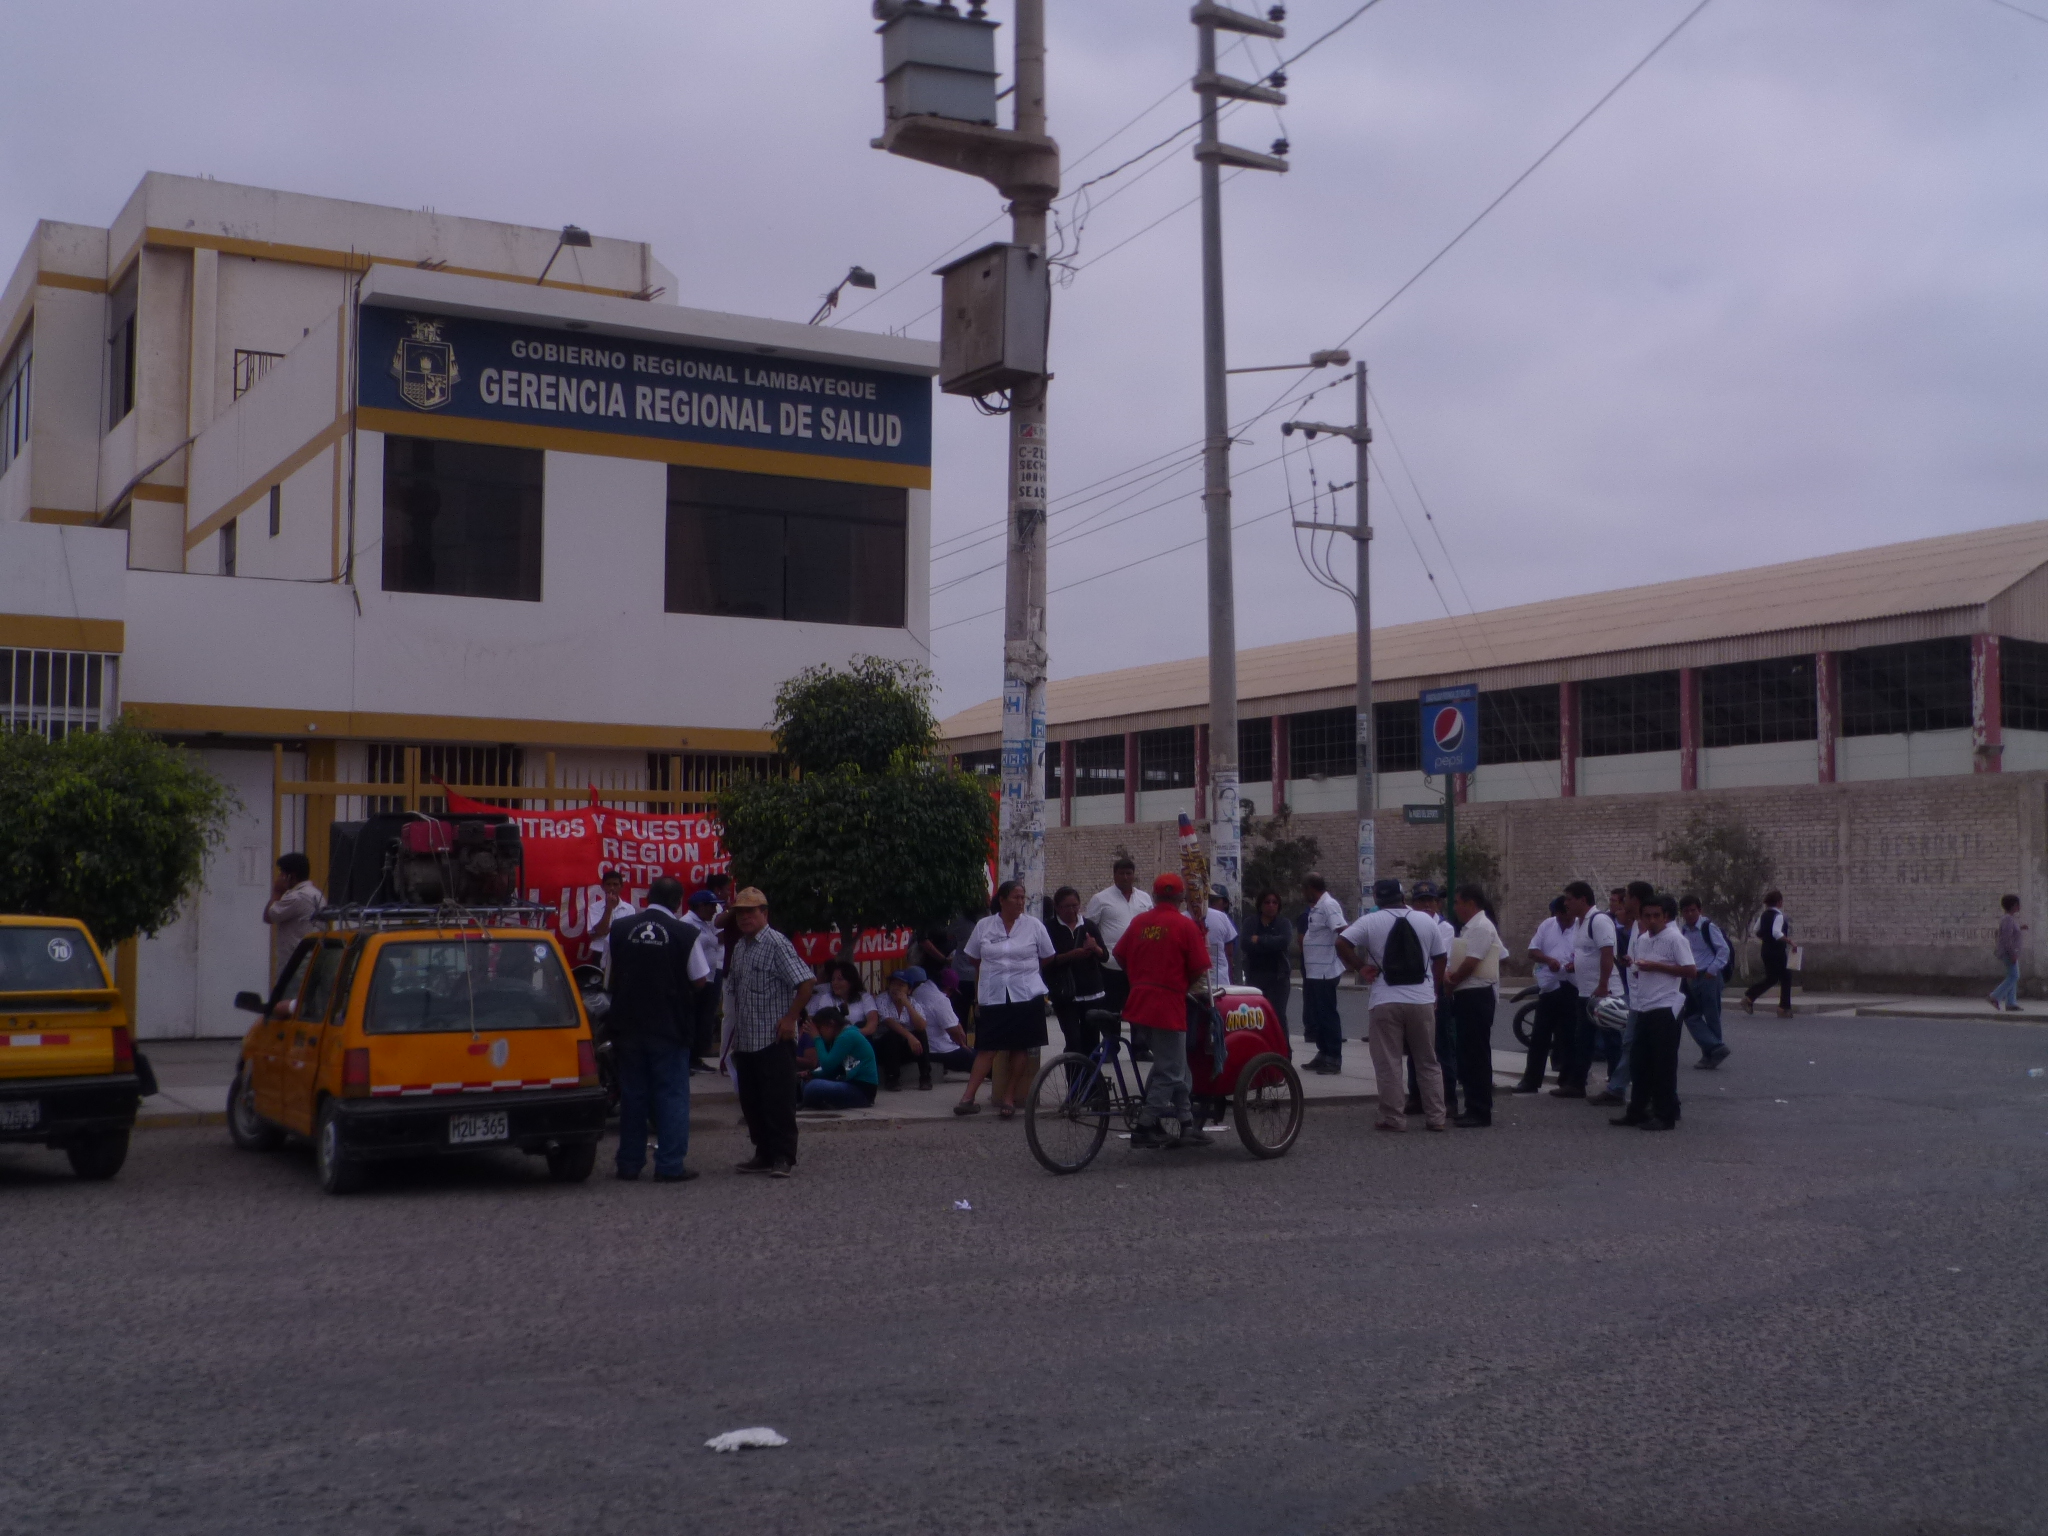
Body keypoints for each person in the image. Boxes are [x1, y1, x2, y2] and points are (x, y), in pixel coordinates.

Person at [605, 875, 711, 1182]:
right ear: (678, 902)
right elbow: (701, 980)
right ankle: (669, 1165)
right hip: (669, 1027)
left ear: (648, 896)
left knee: (634, 1095)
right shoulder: (685, 933)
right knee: (672, 1096)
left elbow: (608, 976)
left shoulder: (620, 929)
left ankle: (628, 1163)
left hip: (628, 1026)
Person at [1337, 878, 1450, 1132]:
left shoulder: (1370, 921)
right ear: (1402, 897)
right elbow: (1440, 958)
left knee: (1389, 1062)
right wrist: (1434, 990)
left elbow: (1341, 942)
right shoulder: (1425, 920)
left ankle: (1393, 1118)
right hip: (1421, 998)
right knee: (1428, 1061)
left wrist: (1360, 967)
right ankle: (1436, 1117)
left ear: (1377, 898)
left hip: (1385, 998)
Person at [1112, 872, 1212, 1148]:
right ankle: (1145, 1125)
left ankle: (1187, 1123)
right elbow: (1198, 969)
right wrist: (1180, 986)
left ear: (1155, 897)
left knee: (1174, 1063)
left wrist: (1138, 979)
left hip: (1139, 1004)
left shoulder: (1139, 922)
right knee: (1171, 1071)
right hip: (1168, 1006)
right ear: (1181, 898)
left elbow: (1119, 955)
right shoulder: (1185, 926)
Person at [722, 887, 815, 1178]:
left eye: (751, 912)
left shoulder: (776, 943)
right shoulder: (740, 947)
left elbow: (806, 983)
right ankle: (762, 1153)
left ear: (765, 913)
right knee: (752, 1102)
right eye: (740, 912)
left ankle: (783, 1157)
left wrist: (791, 1018)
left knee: (779, 1102)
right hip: (748, 1040)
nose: (745, 917)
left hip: (774, 1039)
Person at [956, 879, 1055, 1119]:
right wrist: (998, 971)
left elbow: (1047, 956)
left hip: (1026, 994)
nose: (1021, 902)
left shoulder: (1034, 926)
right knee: (987, 1047)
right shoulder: (984, 926)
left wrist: (1023, 971)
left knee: (1019, 1047)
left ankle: (1009, 1097)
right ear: (1001, 900)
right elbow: (973, 958)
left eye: (1023, 898)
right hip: (994, 994)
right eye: (1016, 897)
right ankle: (967, 1098)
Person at [1613, 893, 1694, 1130]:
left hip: (1666, 1006)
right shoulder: (1643, 939)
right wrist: (1634, 965)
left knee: (1663, 1064)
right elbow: (1642, 970)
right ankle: (1637, 1110)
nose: (1651, 920)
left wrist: (1656, 966)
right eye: (1646, 916)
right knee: (1640, 1062)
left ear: (1665, 916)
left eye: (1656, 916)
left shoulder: (1674, 939)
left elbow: (1690, 970)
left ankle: (1665, 1114)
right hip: (1645, 1005)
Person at [1445, 884, 1504, 1128]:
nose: (1456, 908)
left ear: (1470, 904)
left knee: (1476, 1053)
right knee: (1467, 1053)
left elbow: (1471, 962)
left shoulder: (1480, 927)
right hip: (1468, 994)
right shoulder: (1471, 927)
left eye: (1458, 902)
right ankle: (1472, 1105)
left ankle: (1479, 1110)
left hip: (1477, 993)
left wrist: (1452, 980)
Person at [1590, 880, 1652, 1107]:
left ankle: (1651, 1095)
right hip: (1638, 997)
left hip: (1653, 1000)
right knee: (1630, 1044)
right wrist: (1631, 962)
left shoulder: (1649, 924)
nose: (1622, 901)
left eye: (1625, 896)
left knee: (1642, 1046)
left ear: (1635, 899)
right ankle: (1618, 1089)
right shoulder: (1636, 925)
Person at [1553, 880, 1616, 1099]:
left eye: (1569, 899)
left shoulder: (1599, 921)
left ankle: (1615, 1088)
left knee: (1611, 1041)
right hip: (1584, 992)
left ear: (1583, 899)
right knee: (1583, 1040)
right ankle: (1577, 1084)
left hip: (1603, 993)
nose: (1566, 903)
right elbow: (1587, 954)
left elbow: (1608, 953)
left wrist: (1603, 985)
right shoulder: (1580, 923)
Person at [1085, 858, 1153, 1046]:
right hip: (1111, 964)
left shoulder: (1144, 898)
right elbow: (1090, 926)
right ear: (1114, 875)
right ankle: (1110, 1045)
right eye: (1121, 873)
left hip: (1139, 965)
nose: (1125, 877)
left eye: (1128, 873)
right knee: (1111, 1008)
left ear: (1133, 875)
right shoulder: (1101, 898)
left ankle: (1140, 1047)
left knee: (1138, 1006)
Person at [1408, 881, 1461, 1119]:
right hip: (1414, 990)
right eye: (1421, 901)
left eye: (1431, 900)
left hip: (1435, 989)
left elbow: (1438, 960)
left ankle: (1448, 1098)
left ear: (1437, 903)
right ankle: (1417, 1095)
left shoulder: (1444, 928)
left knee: (1441, 1048)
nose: (1427, 905)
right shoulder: (1408, 923)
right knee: (1415, 1047)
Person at [1513, 896, 1576, 1094]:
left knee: (1569, 1036)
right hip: (1549, 986)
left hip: (1573, 985)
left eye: (1567, 917)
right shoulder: (1548, 925)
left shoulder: (1582, 927)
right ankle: (1531, 1080)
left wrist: (1576, 964)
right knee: (1540, 1036)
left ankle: (1567, 1080)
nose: (1564, 921)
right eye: (1561, 917)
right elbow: (1532, 951)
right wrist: (1548, 960)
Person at [1045, 887, 1112, 1061]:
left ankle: (1091, 1085)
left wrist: (1095, 948)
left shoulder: (1088, 925)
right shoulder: (1049, 928)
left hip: (1092, 992)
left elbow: (1104, 956)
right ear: (1058, 908)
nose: (1072, 910)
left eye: (1075, 905)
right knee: (1074, 1041)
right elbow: (1046, 962)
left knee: (1091, 1041)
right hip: (1065, 994)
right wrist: (1070, 956)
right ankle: (1074, 1083)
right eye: (1067, 906)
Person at [1299, 874, 1348, 1074]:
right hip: (1314, 971)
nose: (1303, 893)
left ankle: (1334, 1057)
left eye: (1304, 889)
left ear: (1311, 888)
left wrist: (1344, 956)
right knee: (1317, 1014)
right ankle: (1323, 1053)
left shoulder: (1329, 905)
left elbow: (1343, 931)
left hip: (1325, 971)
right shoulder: (1317, 907)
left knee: (1327, 1015)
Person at [1677, 895, 1733, 1068]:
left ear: (1699, 911)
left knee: (1711, 1016)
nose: (1690, 914)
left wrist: (1712, 969)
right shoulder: (1683, 930)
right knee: (1691, 1016)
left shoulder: (1708, 927)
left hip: (1709, 977)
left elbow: (1723, 950)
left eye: (1693, 910)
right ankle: (1715, 1048)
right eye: (1686, 911)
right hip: (1693, 976)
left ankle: (1711, 1056)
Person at [905, 966, 978, 1077]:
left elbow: (954, 1023)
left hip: (926, 1046)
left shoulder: (921, 990)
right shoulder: (939, 999)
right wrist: (963, 1045)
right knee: (980, 1059)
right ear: (948, 988)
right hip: (938, 1049)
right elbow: (953, 1031)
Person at [801, 1006, 879, 1110]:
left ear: (831, 1024)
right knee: (805, 1083)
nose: (819, 1033)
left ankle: (819, 1103)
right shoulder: (840, 1037)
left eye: (820, 1029)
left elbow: (827, 1066)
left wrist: (817, 1038)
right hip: (848, 1083)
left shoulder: (847, 1036)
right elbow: (833, 1069)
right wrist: (811, 1074)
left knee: (813, 1087)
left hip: (861, 1090)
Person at [681, 888, 725, 1070]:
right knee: (694, 1018)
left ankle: (698, 1055)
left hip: (710, 976)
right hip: (696, 979)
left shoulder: (706, 923)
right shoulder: (687, 922)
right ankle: (690, 1058)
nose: (715, 911)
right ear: (701, 906)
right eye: (712, 906)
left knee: (705, 1018)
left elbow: (716, 942)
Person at [262, 852, 324, 981]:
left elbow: (268, 916)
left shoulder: (297, 897)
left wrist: (277, 891)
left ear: (292, 876)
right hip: (311, 960)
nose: (279, 877)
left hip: (295, 965)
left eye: (282, 874)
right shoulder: (316, 894)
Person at [866, 969, 929, 1091]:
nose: (896, 988)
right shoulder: (882, 999)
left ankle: (925, 1077)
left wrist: (907, 1004)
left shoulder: (913, 1002)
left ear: (909, 990)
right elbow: (888, 1021)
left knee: (921, 1034)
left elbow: (921, 1025)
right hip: (885, 1048)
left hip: (906, 1049)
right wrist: (909, 1037)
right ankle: (892, 1078)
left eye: (901, 985)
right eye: (894, 984)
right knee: (892, 1036)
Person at [1241, 889, 1293, 1030]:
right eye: (1267, 902)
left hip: (1278, 978)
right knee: (1256, 1016)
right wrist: (1270, 944)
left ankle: (1283, 1050)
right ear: (1261, 905)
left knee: (1278, 1015)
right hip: (1255, 976)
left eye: (1274, 902)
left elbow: (1283, 942)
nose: (1271, 905)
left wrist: (1259, 940)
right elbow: (1245, 944)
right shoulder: (1251, 922)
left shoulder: (1283, 923)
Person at [1742, 891, 1793, 1018]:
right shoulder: (1779, 916)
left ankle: (1749, 997)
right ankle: (1784, 1008)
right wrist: (1790, 941)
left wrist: (1766, 938)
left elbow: (1755, 931)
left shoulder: (1763, 915)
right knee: (1786, 977)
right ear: (1779, 902)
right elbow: (1776, 933)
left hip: (1766, 951)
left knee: (1772, 978)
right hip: (1777, 952)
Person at [585, 868, 635, 967]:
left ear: (621, 887)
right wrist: (608, 908)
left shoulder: (629, 909)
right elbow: (598, 932)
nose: (612, 888)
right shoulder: (594, 907)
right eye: (608, 884)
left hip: (619, 953)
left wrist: (607, 930)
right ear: (602, 887)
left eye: (615, 884)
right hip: (599, 951)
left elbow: (626, 934)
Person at [1991, 895, 2027, 1013]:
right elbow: (2006, 939)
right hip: (2008, 953)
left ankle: (2011, 1003)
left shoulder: (2009, 919)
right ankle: (1995, 996)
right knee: (2014, 976)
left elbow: (2010, 932)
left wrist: (2020, 928)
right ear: (2013, 906)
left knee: (2012, 976)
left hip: (2008, 952)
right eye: (2017, 904)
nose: (2019, 906)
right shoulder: (2007, 919)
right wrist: (2012, 954)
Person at [1204, 887, 1239, 988]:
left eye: (1214, 900)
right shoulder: (1221, 918)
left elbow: (1230, 954)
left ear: (1225, 903)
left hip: (1218, 979)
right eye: (1209, 899)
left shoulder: (1224, 919)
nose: (1210, 903)